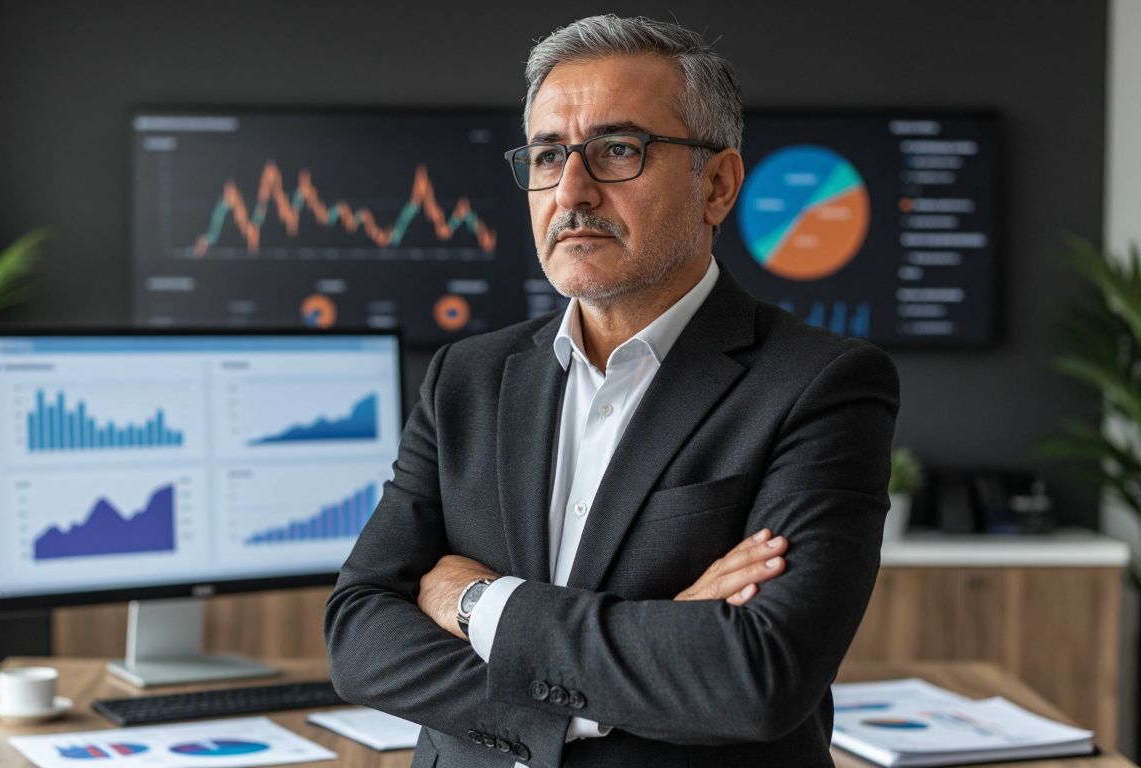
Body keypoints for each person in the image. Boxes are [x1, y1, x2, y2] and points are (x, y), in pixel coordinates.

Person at [325, 14, 899, 768]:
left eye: (618, 150)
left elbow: (756, 674)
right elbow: (359, 634)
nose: (571, 189)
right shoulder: (466, 376)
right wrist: (645, 652)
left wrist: (477, 602)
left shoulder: (820, 385)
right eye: (546, 155)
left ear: (717, 185)